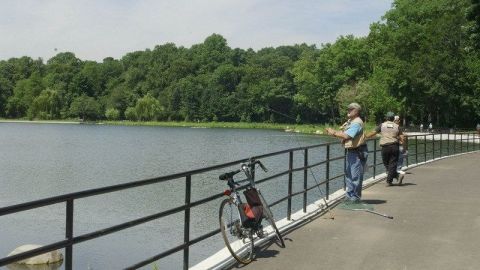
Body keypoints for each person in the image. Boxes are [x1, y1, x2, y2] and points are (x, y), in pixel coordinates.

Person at [326, 103, 368, 203]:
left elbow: (347, 136)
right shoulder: (351, 122)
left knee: (355, 176)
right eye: (348, 109)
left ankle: (355, 198)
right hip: (352, 152)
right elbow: (345, 134)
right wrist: (336, 133)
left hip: (358, 153)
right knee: (349, 175)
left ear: (356, 111)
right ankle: (349, 196)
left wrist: (334, 132)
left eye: (351, 109)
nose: (348, 111)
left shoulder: (357, 123)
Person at [366, 112, 404, 186]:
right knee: (393, 163)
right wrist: (400, 140)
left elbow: (373, 132)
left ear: (386, 118)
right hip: (394, 146)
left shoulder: (382, 125)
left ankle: (389, 181)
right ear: (393, 119)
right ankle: (397, 175)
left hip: (385, 147)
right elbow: (402, 137)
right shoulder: (397, 126)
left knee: (386, 163)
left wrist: (365, 136)